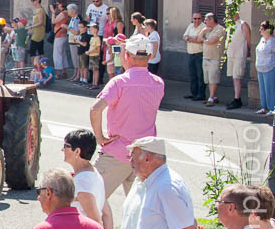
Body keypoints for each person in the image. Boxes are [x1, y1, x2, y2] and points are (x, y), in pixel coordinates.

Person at [90, 35, 164, 200]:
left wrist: (100, 137)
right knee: (139, 210)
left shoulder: (119, 82)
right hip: (145, 154)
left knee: (90, 201)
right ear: (150, 56)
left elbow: (95, 109)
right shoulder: (158, 83)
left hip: (117, 151)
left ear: (126, 55)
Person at [199, 13, 226, 106]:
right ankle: (213, 97)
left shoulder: (220, 29)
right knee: (207, 79)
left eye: (206, 19)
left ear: (211, 20)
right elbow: (199, 38)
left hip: (215, 58)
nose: (204, 21)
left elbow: (211, 41)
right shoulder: (207, 29)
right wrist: (203, 31)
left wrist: (203, 40)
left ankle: (211, 98)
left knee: (213, 78)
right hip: (206, 56)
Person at [225, 14, 251, 110]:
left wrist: (249, 50)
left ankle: (237, 99)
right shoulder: (230, 24)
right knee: (234, 77)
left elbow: (249, 39)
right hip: (231, 54)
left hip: (239, 54)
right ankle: (236, 97)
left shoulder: (243, 24)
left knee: (237, 77)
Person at [256, 21, 275, 115]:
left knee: (270, 88)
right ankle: (264, 107)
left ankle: (272, 108)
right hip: (260, 68)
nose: (260, 30)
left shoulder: (273, 41)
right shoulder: (262, 39)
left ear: (267, 30)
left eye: (261, 29)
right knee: (262, 89)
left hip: (270, 67)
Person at [182, 13, 207, 101]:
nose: (196, 20)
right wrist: (192, 38)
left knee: (200, 75)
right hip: (191, 53)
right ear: (192, 19)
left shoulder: (204, 27)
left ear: (201, 19)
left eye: (198, 18)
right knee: (192, 75)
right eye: (195, 18)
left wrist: (189, 38)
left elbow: (200, 40)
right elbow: (184, 37)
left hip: (199, 54)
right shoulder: (190, 26)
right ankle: (194, 93)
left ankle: (201, 94)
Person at [50, 0, 71, 79]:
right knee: (63, 54)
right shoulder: (66, 13)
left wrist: (53, 12)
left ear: (62, 4)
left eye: (58, 4)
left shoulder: (63, 13)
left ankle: (59, 73)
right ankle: (64, 72)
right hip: (63, 35)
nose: (57, 5)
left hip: (59, 36)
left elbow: (53, 21)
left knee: (57, 54)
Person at [29, 0, 47, 66]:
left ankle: (34, 68)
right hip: (38, 33)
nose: (32, 2)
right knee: (40, 51)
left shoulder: (40, 10)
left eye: (33, 0)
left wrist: (31, 26)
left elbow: (41, 22)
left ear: (38, 0)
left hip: (38, 34)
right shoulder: (39, 10)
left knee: (32, 51)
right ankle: (44, 67)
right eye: (32, 1)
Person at [74, 20, 90, 84]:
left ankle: (84, 79)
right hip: (80, 52)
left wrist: (78, 42)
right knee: (80, 67)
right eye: (79, 27)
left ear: (85, 27)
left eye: (81, 27)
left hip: (84, 52)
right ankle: (81, 79)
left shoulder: (85, 35)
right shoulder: (81, 34)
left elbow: (85, 44)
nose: (80, 29)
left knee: (84, 67)